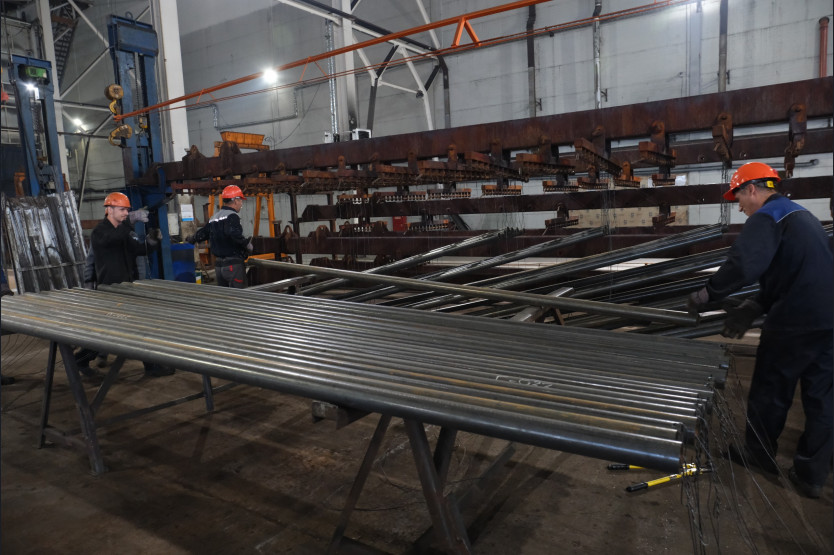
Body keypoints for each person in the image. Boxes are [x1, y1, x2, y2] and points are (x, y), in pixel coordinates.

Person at [688, 162, 833, 498]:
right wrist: (756, 305)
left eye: (738, 197)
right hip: (828, 319)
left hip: (795, 318)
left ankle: (758, 454)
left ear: (752, 189)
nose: (739, 207)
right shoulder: (802, 216)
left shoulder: (769, 216)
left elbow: (743, 264)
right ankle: (811, 475)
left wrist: (707, 294)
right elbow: (790, 270)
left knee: (771, 385)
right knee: (822, 398)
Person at [90, 191, 173, 378]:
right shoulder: (100, 232)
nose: (126, 213)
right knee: (113, 330)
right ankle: (83, 359)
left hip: (126, 287)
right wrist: (130, 221)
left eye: (127, 210)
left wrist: (152, 241)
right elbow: (112, 239)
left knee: (133, 327)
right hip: (110, 290)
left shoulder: (123, 232)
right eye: (122, 210)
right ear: (109, 209)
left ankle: (151, 366)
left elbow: (138, 249)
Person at [186, 185, 252, 288]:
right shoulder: (232, 216)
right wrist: (247, 244)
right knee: (239, 295)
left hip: (219, 267)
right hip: (232, 266)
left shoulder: (214, 217)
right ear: (235, 201)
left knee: (225, 295)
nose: (241, 204)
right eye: (240, 201)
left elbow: (203, 233)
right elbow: (233, 233)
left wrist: (192, 238)